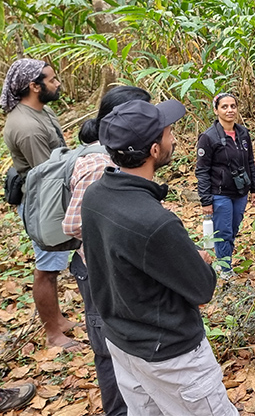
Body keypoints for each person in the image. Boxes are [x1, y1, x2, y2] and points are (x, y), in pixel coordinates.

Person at [81, 100, 237, 415]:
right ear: (154, 150)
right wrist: (199, 261)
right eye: (168, 133)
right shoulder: (155, 222)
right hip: (172, 356)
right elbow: (202, 288)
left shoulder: (96, 195)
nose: (174, 138)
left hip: (123, 342)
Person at [64, 86, 152, 416]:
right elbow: (73, 224)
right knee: (106, 342)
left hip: (118, 266)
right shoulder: (97, 164)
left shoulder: (118, 156)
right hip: (98, 267)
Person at [1, 58, 77, 351]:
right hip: (43, 201)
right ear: (34, 86)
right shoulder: (25, 126)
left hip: (52, 195)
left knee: (55, 265)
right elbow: (46, 172)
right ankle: (52, 333)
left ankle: (59, 319)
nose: (57, 84)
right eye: (52, 80)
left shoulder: (43, 111)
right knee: (47, 266)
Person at [196, 92, 255, 276]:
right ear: (216, 110)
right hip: (219, 192)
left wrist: (254, 188)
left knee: (232, 229)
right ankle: (225, 269)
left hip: (240, 192)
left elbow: (250, 162)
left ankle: (224, 261)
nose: (230, 110)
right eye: (224, 107)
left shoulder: (242, 133)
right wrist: (206, 200)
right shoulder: (208, 137)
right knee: (222, 231)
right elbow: (202, 170)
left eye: (233, 106)